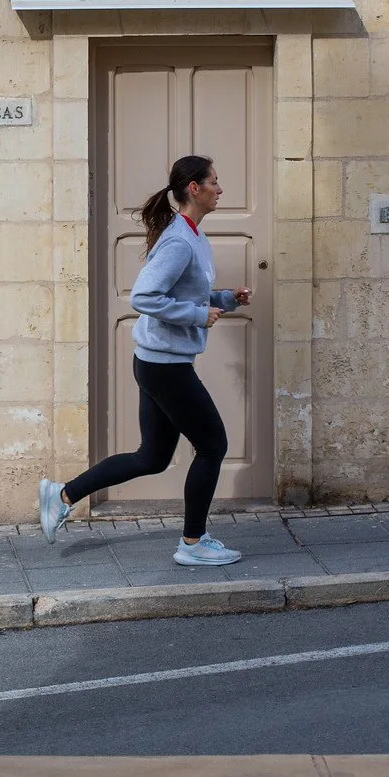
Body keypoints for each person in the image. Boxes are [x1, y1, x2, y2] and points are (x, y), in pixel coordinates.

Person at [37, 155, 251, 566]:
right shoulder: (178, 240)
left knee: (151, 457)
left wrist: (224, 300)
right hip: (165, 366)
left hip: (159, 362)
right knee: (213, 445)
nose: (220, 189)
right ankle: (193, 543)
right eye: (215, 182)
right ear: (194, 188)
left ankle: (62, 494)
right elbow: (144, 297)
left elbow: (187, 293)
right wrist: (195, 315)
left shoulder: (192, 234)